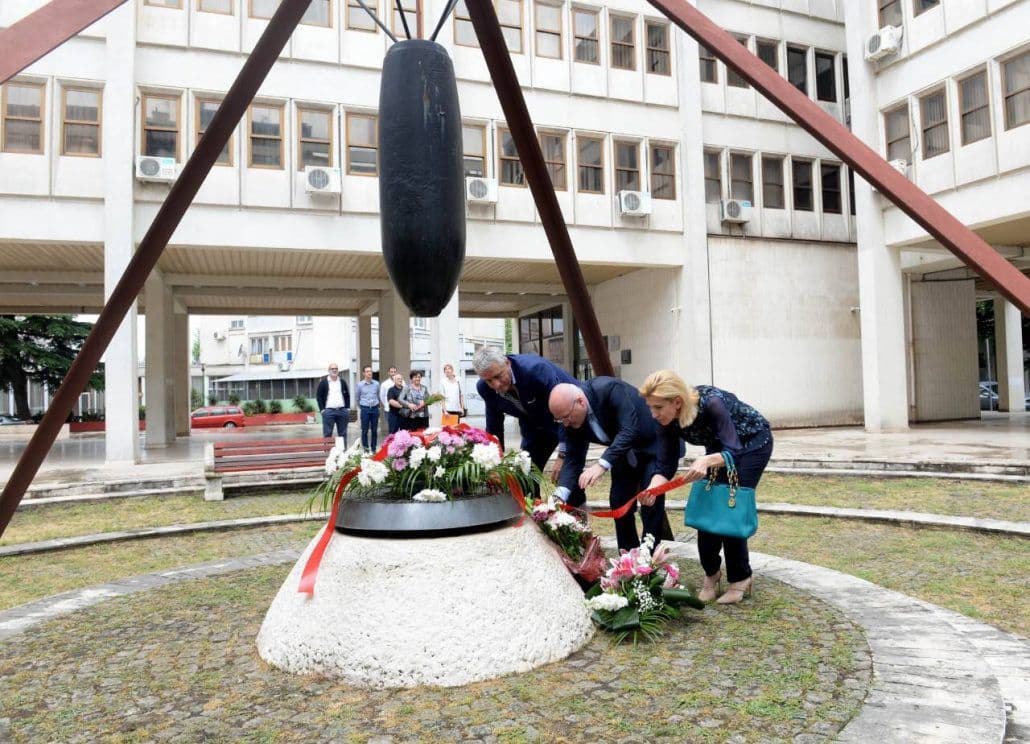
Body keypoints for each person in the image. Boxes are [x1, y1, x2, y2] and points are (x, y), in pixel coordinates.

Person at [639, 370, 773, 605]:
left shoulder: (711, 403)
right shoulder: (665, 420)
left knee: (728, 509)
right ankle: (712, 575)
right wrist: (653, 488)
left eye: (658, 407)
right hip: (719, 447)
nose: (653, 413)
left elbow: (734, 449)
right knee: (708, 511)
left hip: (751, 444)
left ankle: (740, 577)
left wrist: (706, 460)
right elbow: (665, 463)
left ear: (677, 402)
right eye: (650, 407)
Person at [548, 380, 664, 552]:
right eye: (559, 420)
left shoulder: (609, 390)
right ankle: (628, 559)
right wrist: (559, 495)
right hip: (623, 452)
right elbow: (572, 459)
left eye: (566, 417)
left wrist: (601, 465)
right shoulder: (569, 419)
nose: (565, 424)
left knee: (651, 501)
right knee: (618, 501)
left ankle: (650, 561)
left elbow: (628, 431)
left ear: (580, 402)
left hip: (653, 445)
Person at [473, 347, 579, 501]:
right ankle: (535, 515)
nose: (495, 384)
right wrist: (495, 461)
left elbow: (565, 411)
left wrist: (563, 454)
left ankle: (575, 515)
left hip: (570, 419)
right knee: (525, 476)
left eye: (498, 376)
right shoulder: (484, 388)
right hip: (533, 427)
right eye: (489, 380)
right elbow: (494, 425)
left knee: (566, 475)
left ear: (507, 363)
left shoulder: (535, 370)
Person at [316, 362, 350, 445]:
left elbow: (347, 396)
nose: (334, 370)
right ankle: (327, 453)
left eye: (336, 369)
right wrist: (322, 410)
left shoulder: (342, 382)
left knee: (343, 434)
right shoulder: (323, 382)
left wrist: (347, 408)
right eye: (332, 369)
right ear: (329, 370)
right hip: (328, 412)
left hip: (342, 411)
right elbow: (319, 397)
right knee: (327, 433)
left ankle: (343, 453)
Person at [356, 365, 381, 451]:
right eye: (367, 371)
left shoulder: (377, 384)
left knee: (374, 430)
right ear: (364, 373)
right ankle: (366, 449)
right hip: (365, 409)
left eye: (370, 371)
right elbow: (357, 398)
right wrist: (362, 406)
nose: (369, 373)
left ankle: (373, 449)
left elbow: (378, 395)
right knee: (365, 430)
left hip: (375, 409)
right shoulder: (360, 385)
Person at [439, 362, 465, 427]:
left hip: (457, 408)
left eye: (449, 368)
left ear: (452, 370)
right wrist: (444, 410)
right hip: (447, 409)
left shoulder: (459, 380)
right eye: (445, 369)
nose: (447, 370)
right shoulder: (443, 381)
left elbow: (461, 395)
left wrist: (462, 408)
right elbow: (442, 397)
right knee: (447, 429)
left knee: (456, 428)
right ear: (444, 372)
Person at [379, 365, 399, 437]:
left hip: (400, 409)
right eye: (391, 372)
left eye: (394, 372)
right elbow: (382, 396)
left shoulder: (401, 381)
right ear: (389, 373)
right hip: (389, 410)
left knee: (400, 429)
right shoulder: (385, 384)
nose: (393, 373)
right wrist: (387, 405)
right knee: (392, 428)